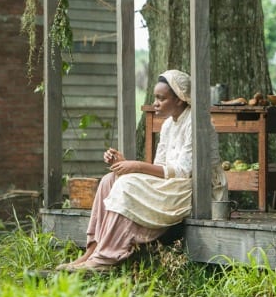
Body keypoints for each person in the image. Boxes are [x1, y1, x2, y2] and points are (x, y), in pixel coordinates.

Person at [57, 69, 228, 271]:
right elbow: (160, 166)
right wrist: (124, 164)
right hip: (172, 185)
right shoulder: (167, 126)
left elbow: (183, 171)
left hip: (196, 190)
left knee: (126, 183)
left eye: (161, 98)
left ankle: (106, 257)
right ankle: (93, 250)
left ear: (180, 99)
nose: (155, 103)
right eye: (155, 97)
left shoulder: (198, 123)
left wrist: (136, 167)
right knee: (109, 180)